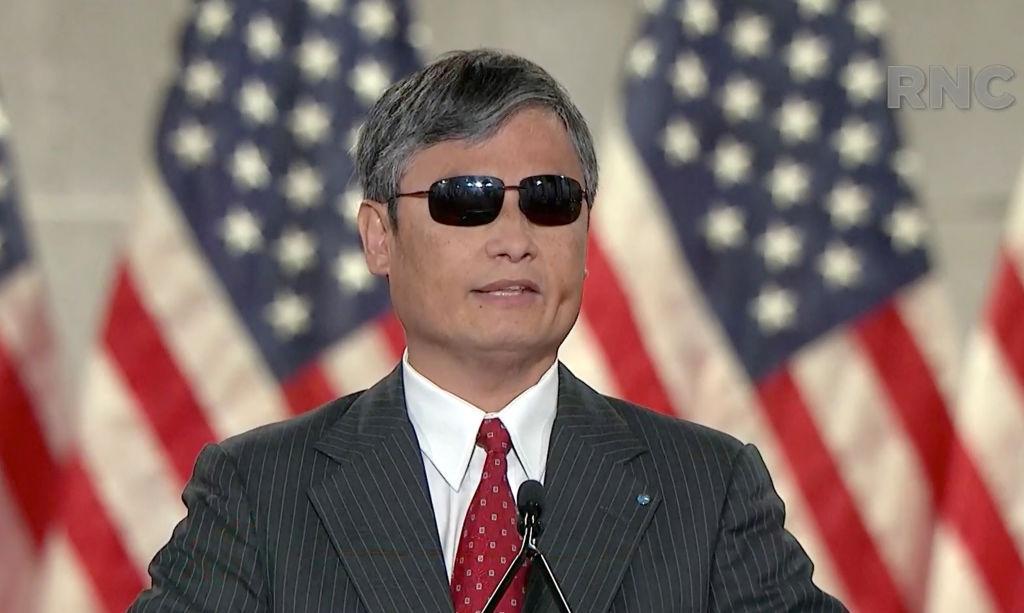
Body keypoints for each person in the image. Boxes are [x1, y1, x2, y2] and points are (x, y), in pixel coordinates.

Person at [130, 49, 845, 612]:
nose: (515, 237)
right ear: (379, 236)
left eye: (549, 200)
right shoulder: (259, 495)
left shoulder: (708, 491)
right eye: (466, 201)